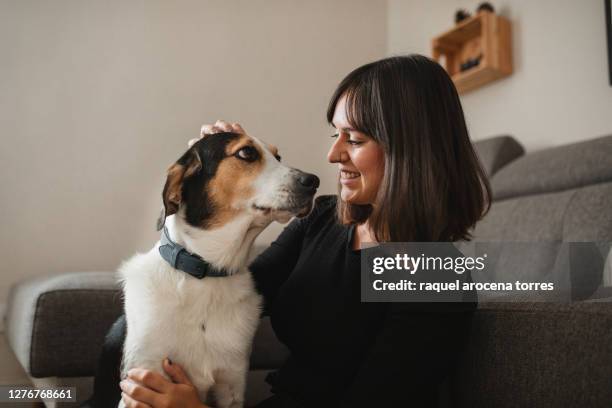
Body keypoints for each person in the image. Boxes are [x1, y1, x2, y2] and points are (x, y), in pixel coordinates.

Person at [117, 54, 492, 408]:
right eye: (336, 135)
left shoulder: (434, 276)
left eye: (355, 139)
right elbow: (233, 291)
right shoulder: (324, 219)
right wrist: (218, 172)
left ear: (411, 150)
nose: (333, 155)